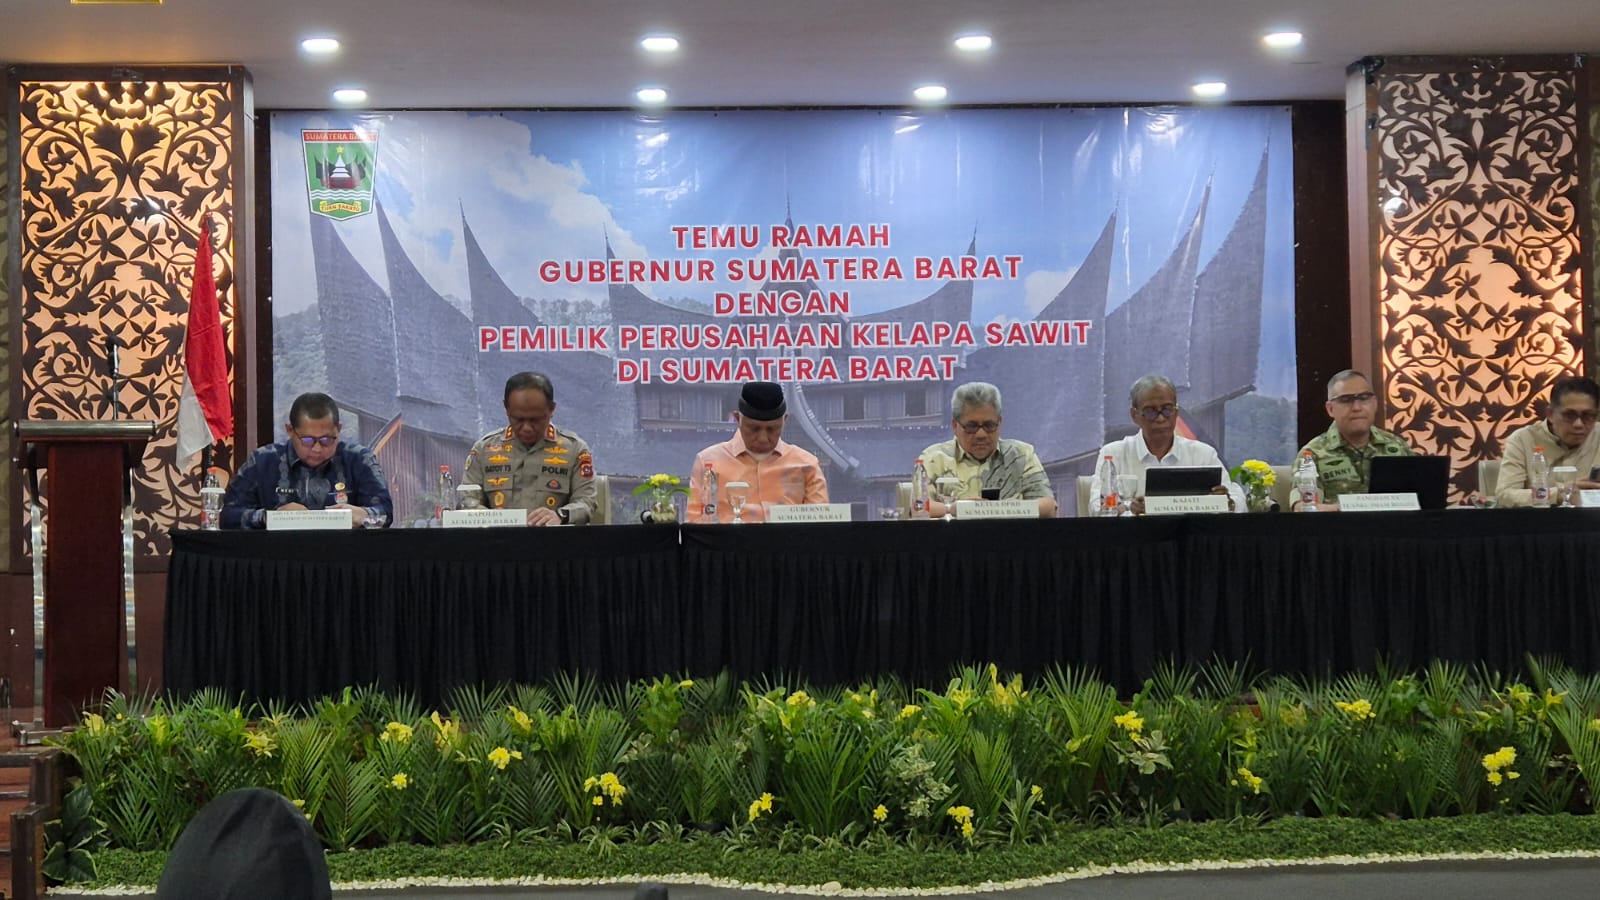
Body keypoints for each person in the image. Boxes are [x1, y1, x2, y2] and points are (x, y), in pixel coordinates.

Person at [222, 392, 392, 529]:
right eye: (308, 440)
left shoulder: (359, 459)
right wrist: (269, 517)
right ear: (290, 430)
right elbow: (228, 516)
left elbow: (385, 513)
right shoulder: (262, 461)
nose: (317, 449)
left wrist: (364, 515)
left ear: (339, 429)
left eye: (326, 440)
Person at [1090, 374, 1246, 515]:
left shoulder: (1202, 454)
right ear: (1135, 415)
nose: (1160, 418)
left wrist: (1227, 502)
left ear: (1176, 412)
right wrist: (1129, 508)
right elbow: (1096, 508)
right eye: (1150, 411)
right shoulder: (1114, 454)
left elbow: (1238, 500)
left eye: (1167, 410)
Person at [463, 372, 598, 525]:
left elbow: (586, 502)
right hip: (497, 536)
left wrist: (560, 515)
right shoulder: (484, 450)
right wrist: (492, 518)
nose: (526, 428)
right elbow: (467, 499)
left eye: (535, 420)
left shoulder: (575, 450)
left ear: (551, 409)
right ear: (506, 408)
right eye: (518, 419)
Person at [687, 381, 828, 522]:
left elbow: (820, 525)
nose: (763, 438)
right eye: (754, 429)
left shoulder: (806, 465)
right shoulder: (709, 462)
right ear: (738, 419)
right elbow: (696, 522)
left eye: (772, 429)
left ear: (784, 421)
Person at [919, 382, 1058, 518]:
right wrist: (954, 509)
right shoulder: (933, 458)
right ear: (955, 426)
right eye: (972, 426)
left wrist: (989, 510)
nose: (981, 434)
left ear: (999, 423)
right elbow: (916, 508)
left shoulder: (1021, 455)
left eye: (989, 425)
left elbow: (1048, 507)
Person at [1294, 369, 1414, 506]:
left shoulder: (1398, 447)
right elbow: (1304, 507)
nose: (1357, 407)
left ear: (1374, 403)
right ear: (1330, 409)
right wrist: (1347, 508)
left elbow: (1422, 501)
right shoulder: (1312, 454)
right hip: (1337, 520)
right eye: (1346, 400)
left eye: (1364, 398)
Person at [1496, 375, 1600, 507]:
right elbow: (1504, 496)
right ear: (1550, 414)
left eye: (1588, 416)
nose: (1578, 424)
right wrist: (1559, 494)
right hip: (1539, 519)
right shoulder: (1522, 440)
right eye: (1569, 415)